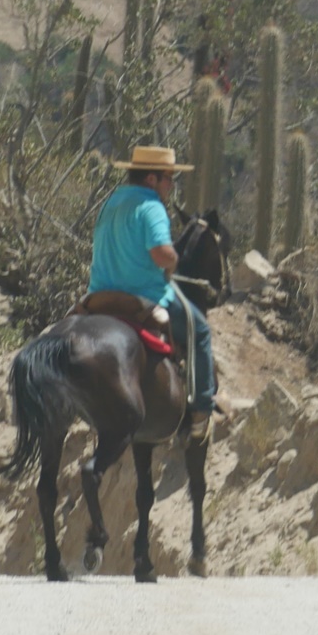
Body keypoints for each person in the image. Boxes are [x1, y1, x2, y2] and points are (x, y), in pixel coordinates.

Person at [88, 145, 216, 442]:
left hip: (99, 295)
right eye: (169, 178)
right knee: (200, 332)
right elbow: (161, 254)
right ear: (151, 179)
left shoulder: (111, 202)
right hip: (142, 295)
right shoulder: (151, 205)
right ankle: (200, 411)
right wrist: (172, 260)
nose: (171, 185)